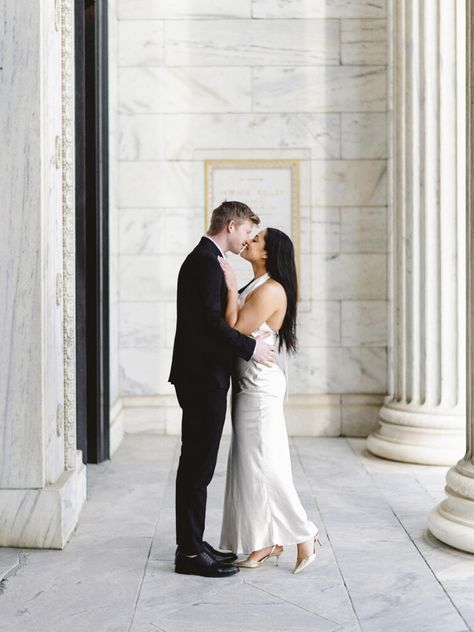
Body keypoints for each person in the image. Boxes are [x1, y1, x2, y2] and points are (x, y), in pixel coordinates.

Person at [169, 201, 277, 578]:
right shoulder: (204, 261)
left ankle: (195, 544)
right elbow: (209, 326)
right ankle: (190, 554)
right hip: (201, 379)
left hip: (203, 377)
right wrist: (252, 348)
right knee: (197, 468)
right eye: (247, 230)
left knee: (199, 466)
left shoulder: (208, 259)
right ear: (231, 226)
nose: (248, 238)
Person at [218, 227, 321, 574]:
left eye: (258, 239)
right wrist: (236, 288)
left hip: (260, 389)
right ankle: (266, 542)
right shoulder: (256, 285)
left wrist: (230, 288)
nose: (250, 241)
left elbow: (235, 329)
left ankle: (305, 532)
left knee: (268, 467)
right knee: (250, 468)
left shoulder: (272, 289)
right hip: (248, 384)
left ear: (268, 253)